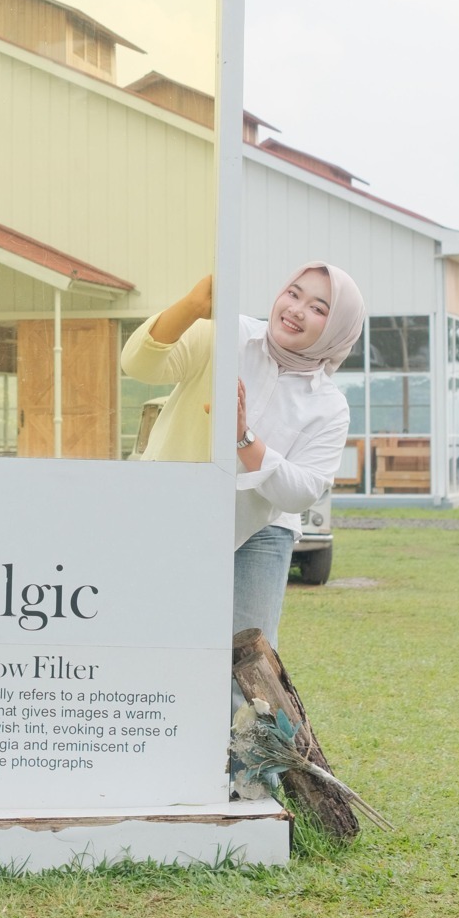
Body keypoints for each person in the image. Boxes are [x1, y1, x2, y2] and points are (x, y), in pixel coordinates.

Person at [121, 263, 365, 662]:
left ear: (338, 329)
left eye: (318, 308)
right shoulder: (228, 335)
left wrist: (242, 438)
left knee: (247, 661)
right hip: (172, 513)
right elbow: (139, 364)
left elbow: (302, 492)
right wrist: (190, 307)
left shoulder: (329, 406)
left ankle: (244, 709)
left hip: (260, 530)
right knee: (157, 640)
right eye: (294, 293)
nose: (297, 309)